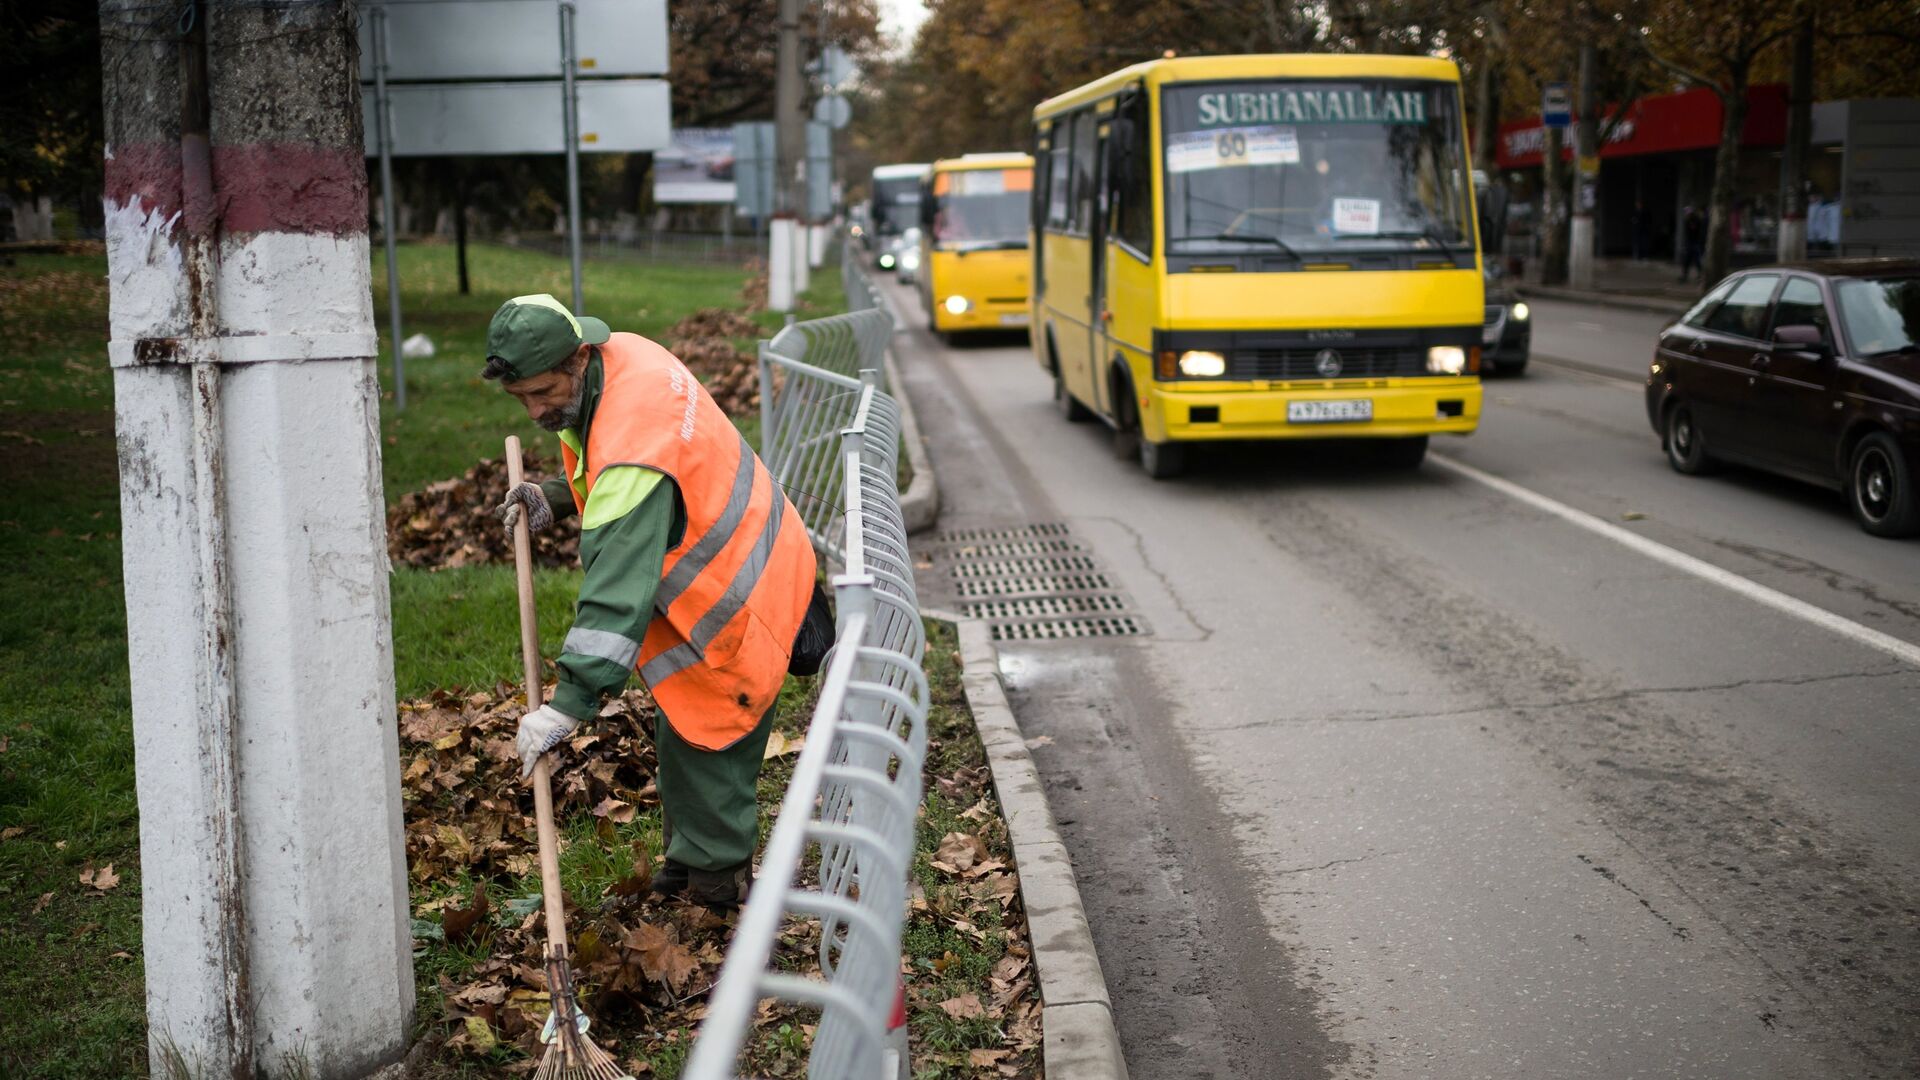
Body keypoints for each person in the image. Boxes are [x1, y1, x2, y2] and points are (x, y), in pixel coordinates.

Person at [483, 293, 826, 909]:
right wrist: (559, 497)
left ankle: (719, 890)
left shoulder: (634, 446)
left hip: (740, 606)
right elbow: (623, 457)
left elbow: (616, 587)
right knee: (683, 735)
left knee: (713, 742)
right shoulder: (626, 356)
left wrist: (570, 704)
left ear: (578, 356)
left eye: (543, 391)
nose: (536, 409)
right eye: (521, 399)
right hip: (756, 550)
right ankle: (688, 866)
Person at [1678, 205, 1705, 283]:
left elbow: (1694, 231)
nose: (1686, 214)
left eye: (1687, 212)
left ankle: (1698, 276)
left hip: (1694, 242)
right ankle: (1685, 275)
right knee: (1688, 260)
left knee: (1695, 260)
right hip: (1691, 242)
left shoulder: (1694, 220)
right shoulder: (1689, 220)